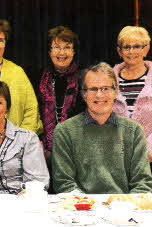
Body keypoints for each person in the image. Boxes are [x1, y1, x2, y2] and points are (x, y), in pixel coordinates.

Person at [52, 63, 152, 194]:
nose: (99, 95)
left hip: (123, 209)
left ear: (116, 92)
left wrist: (123, 207)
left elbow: (143, 183)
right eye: (93, 89)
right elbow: (64, 183)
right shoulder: (64, 132)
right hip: (80, 210)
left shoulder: (133, 131)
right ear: (84, 95)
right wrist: (88, 207)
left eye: (105, 88)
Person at [34, 26, 85, 161]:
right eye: (56, 47)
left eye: (67, 47)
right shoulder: (37, 77)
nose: (62, 53)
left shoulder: (83, 78)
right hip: (43, 151)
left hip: (77, 150)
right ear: (49, 51)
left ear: (74, 52)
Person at [112, 26, 152, 164]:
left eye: (137, 46)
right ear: (119, 51)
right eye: (126, 47)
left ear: (146, 49)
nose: (131, 51)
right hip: (117, 158)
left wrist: (147, 151)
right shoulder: (109, 79)